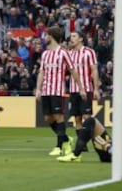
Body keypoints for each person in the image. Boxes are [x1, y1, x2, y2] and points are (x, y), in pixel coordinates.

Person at [35, 26, 87, 157]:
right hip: (46, 90)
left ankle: (59, 146)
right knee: (48, 118)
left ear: (51, 36)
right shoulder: (45, 53)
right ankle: (65, 139)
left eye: (46, 35)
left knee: (58, 117)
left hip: (57, 90)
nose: (45, 37)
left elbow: (73, 70)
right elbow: (41, 72)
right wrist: (38, 89)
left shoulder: (64, 52)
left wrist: (81, 87)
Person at [68, 31, 101, 151]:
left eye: (74, 36)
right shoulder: (69, 53)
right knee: (77, 119)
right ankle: (83, 145)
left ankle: (94, 143)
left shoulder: (89, 52)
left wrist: (96, 88)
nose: (71, 38)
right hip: (73, 89)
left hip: (86, 89)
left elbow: (94, 70)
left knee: (87, 117)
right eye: (70, 36)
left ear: (81, 39)